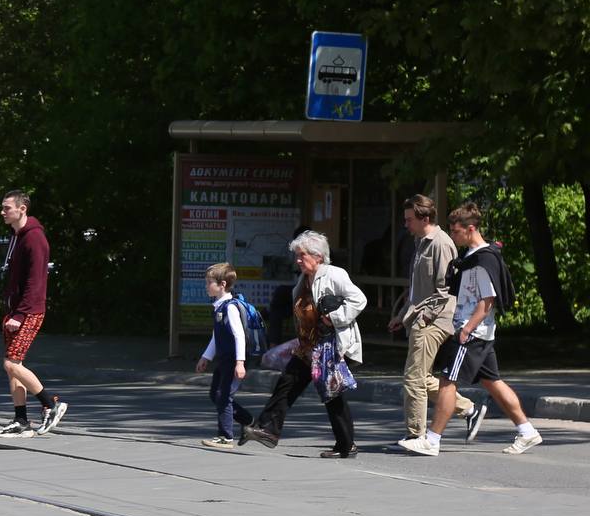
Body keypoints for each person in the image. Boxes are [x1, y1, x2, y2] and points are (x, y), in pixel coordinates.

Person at [399, 202, 540, 456]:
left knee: (447, 382)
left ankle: (432, 440)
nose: (453, 236)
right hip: (481, 333)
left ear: (471, 229)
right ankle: (527, 431)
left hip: (471, 332)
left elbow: (487, 301)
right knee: (493, 382)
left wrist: (466, 330)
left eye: (456, 232)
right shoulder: (471, 258)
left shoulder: (483, 261)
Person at [240, 230, 368, 458]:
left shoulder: (333, 274)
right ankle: (268, 430)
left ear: (318, 256)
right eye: (297, 255)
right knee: (286, 384)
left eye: (302, 255)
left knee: (332, 394)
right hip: (308, 346)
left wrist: (334, 318)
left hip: (330, 346)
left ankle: (346, 445)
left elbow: (359, 299)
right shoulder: (304, 280)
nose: (298, 260)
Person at [387, 194, 482, 447]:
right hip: (419, 317)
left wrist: (424, 317)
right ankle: (469, 409)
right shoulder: (420, 243)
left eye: (409, 219)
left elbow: (445, 288)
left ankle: (416, 434)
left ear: (424, 218)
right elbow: (417, 289)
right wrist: (402, 315)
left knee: (413, 378)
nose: (405, 224)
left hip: (435, 320)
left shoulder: (441, 243)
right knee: (423, 377)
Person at [0, 190, 67, 438]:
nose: (2, 212)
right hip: (16, 310)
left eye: (7, 208)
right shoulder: (17, 236)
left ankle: (50, 404)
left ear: (22, 209)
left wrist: (20, 314)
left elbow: (36, 282)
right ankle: (21, 420)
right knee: (14, 366)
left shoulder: (34, 238)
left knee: (10, 363)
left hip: (29, 312)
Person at [195, 262, 252, 450]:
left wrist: (240, 363)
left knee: (223, 395)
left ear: (222, 285)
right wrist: (206, 357)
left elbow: (239, 336)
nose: (206, 286)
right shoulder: (219, 307)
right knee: (216, 394)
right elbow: (216, 337)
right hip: (224, 358)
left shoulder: (230, 307)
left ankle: (225, 436)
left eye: (209, 282)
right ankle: (248, 421)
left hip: (233, 359)